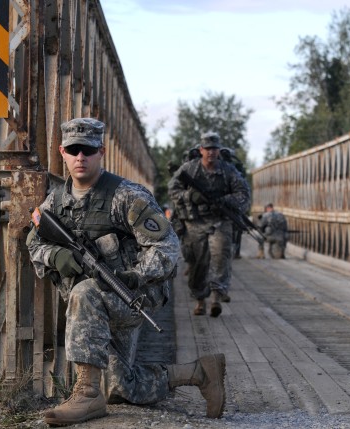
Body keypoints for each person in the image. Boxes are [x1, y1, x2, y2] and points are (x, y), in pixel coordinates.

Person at [26, 118, 226, 425]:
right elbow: (34, 241)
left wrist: (137, 275)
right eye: (73, 149)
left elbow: (167, 247)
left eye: (89, 150)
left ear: (102, 151)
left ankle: (86, 397)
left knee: (84, 291)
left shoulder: (127, 196)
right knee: (119, 386)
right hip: (98, 309)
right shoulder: (56, 201)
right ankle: (199, 373)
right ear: (61, 152)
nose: (81, 157)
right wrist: (56, 255)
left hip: (134, 297)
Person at [167, 131, 251, 317]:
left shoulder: (229, 171)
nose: (211, 152)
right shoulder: (190, 169)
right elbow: (173, 188)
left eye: (215, 149)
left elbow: (243, 193)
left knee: (221, 257)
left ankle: (215, 298)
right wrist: (190, 196)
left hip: (220, 221)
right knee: (198, 262)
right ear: (201, 150)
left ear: (219, 151)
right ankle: (199, 299)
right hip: (195, 223)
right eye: (208, 149)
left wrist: (225, 201)